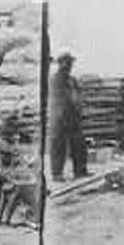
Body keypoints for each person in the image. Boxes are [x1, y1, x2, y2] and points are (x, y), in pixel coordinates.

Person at [48, 49, 87, 180]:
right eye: (66, 63)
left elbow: (79, 94)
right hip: (60, 116)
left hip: (73, 115)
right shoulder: (56, 80)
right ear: (60, 64)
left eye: (70, 63)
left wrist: (79, 108)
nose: (69, 65)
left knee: (79, 143)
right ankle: (57, 173)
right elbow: (57, 99)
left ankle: (80, 171)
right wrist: (60, 115)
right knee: (59, 145)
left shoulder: (72, 80)